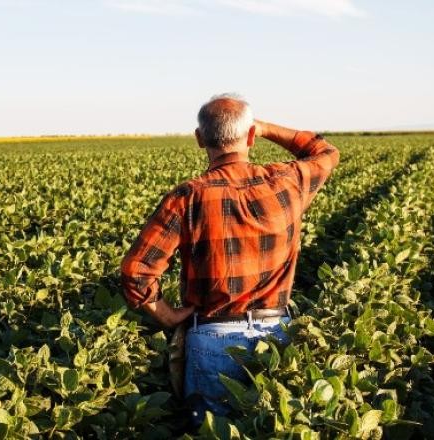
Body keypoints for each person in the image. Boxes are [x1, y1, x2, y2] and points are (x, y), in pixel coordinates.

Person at [120, 93, 340, 425]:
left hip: (211, 338)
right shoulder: (287, 182)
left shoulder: (187, 197)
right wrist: (264, 127)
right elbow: (325, 151)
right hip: (275, 337)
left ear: (199, 139)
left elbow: (136, 272)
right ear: (251, 136)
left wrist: (166, 315)